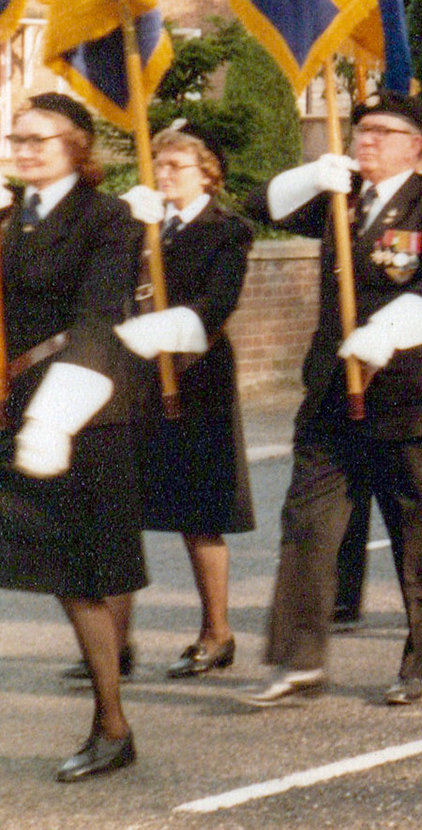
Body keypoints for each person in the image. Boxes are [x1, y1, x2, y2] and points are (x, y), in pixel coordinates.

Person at [242, 91, 422, 709]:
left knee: (419, 532)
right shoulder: (337, 196)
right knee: (308, 526)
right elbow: (258, 206)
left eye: (384, 132)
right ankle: (298, 659)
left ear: (419, 149)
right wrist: (312, 174)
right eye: (362, 129)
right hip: (331, 395)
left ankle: (420, 664)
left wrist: (383, 335)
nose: (367, 139)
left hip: (406, 394)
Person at [0, 94, 145, 781]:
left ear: (78, 147)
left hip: (78, 416)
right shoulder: (8, 222)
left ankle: (112, 726)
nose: (23, 150)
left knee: (83, 580)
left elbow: (97, 320)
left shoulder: (107, 218)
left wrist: (53, 418)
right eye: (16, 138)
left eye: (39, 140)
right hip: (11, 409)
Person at [113, 123, 256, 683]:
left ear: (208, 174)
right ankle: (113, 643)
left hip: (197, 377)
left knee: (199, 514)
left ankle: (216, 633)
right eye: (159, 165)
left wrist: (161, 333)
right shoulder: (141, 227)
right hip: (135, 376)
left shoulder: (227, 231)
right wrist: (122, 227)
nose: (164, 174)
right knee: (119, 511)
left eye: (176, 166)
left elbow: (217, 303)